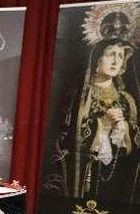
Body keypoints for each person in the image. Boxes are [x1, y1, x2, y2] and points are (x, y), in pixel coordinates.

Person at [54, 37, 140, 203]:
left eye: (120, 56)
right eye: (110, 54)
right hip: (84, 176)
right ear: (97, 59)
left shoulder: (127, 100)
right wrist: (102, 125)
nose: (116, 60)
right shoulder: (79, 96)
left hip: (117, 176)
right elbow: (64, 135)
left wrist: (124, 127)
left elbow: (136, 139)